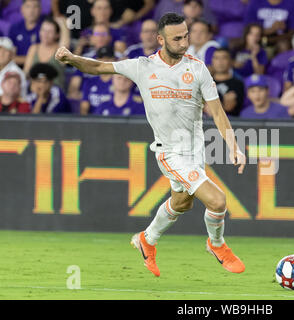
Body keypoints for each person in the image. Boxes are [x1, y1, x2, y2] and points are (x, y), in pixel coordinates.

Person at [55, 13, 246, 276]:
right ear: (160, 39)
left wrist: (233, 146)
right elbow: (100, 67)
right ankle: (217, 244)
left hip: (195, 151)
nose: (184, 42)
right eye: (177, 38)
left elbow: (217, 112)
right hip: (170, 152)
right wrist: (74, 59)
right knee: (217, 201)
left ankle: (147, 239)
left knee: (182, 203)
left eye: (186, 36)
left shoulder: (197, 68)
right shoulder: (143, 66)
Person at [23, 16, 70, 89]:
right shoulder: (33, 48)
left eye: (50, 31)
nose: (45, 34)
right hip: (34, 91)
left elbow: (65, 42)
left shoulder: (60, 50)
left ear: (57, 35)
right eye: (43, 30)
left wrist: (62, 24)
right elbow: (26, 73)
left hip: (55, 92)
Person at [80, 46, 116, 115]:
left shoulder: (120, 81)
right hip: (93, 120)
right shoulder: (90, 82)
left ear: (114, 60)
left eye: (108, 59)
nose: (104, 62)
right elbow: (84, 108)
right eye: (101, 59)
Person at [8, 0, 44, 66]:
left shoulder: (44, 29)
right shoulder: (15, 28)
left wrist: (19, 59)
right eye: (28, 6)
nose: (31, 11)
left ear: (40, 9)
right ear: (22, 9)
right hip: (15, 67)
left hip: (37, 67)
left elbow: (44, 56)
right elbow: (10, 55)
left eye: (35, 7)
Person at [211, 48, 245, 117]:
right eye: (217, 58)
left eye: (224, 58)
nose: (220, 62)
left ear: (230, 61)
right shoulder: (204, 83)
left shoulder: (238, 84)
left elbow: (229, 107)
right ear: (212, 61)